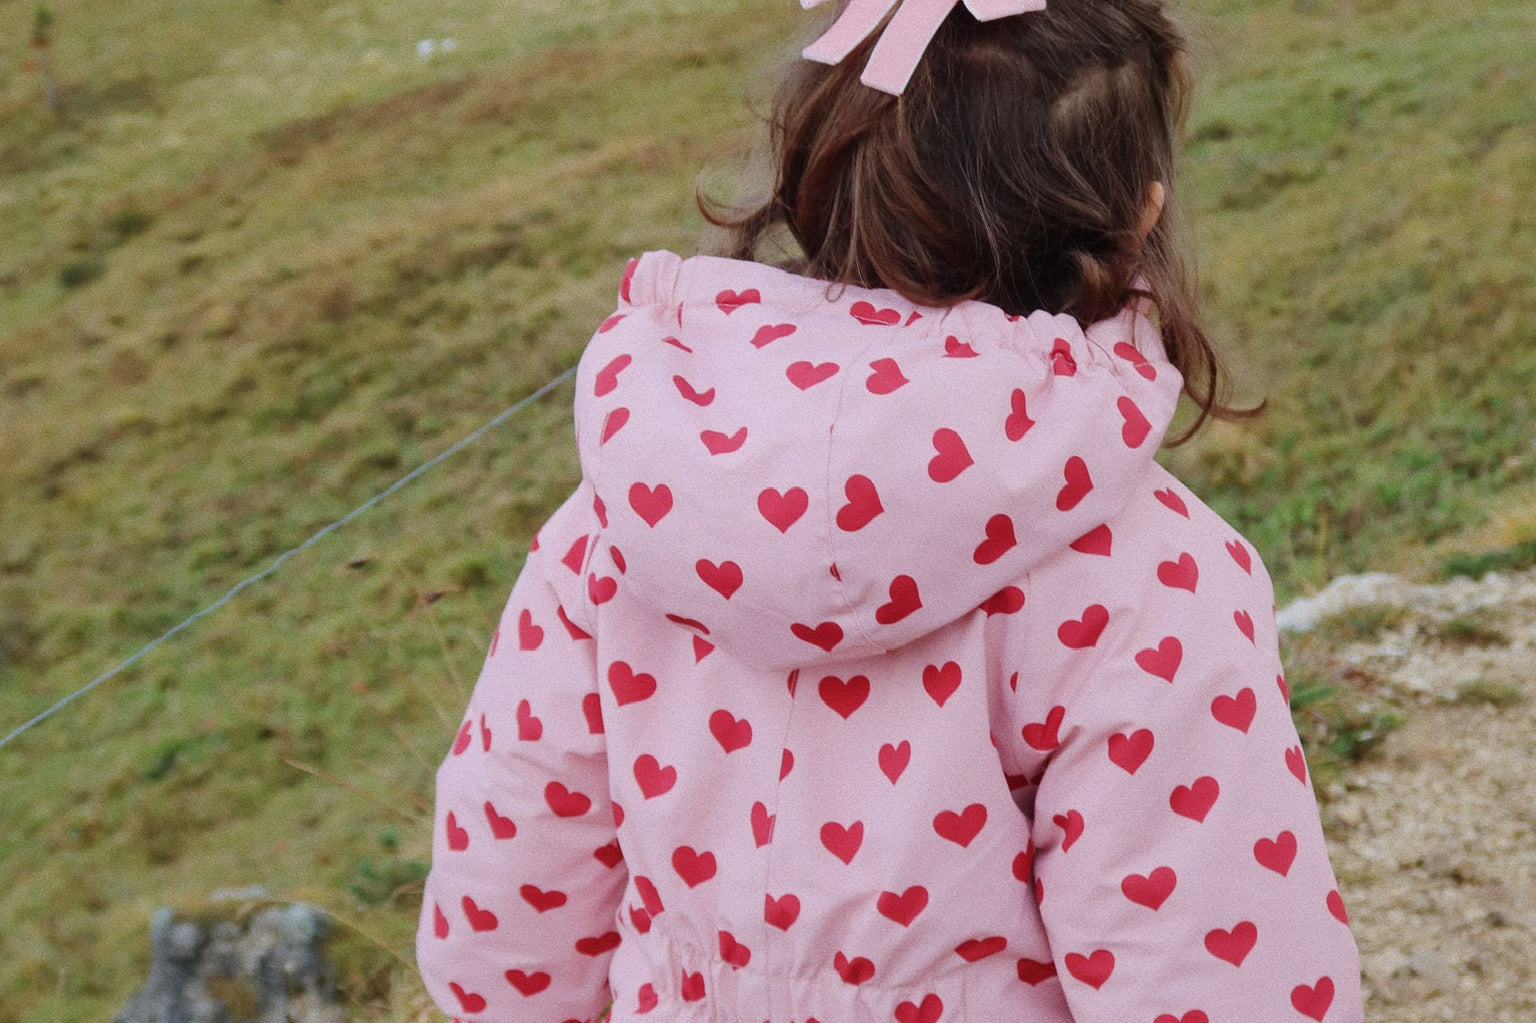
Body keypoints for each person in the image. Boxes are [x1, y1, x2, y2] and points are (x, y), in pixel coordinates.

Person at [415, 1, 1366, 1021]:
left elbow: (505, 915)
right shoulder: (1153, 575)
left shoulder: (625, 520)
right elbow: (1213, 979)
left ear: (815, 185)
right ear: (1139, 213)